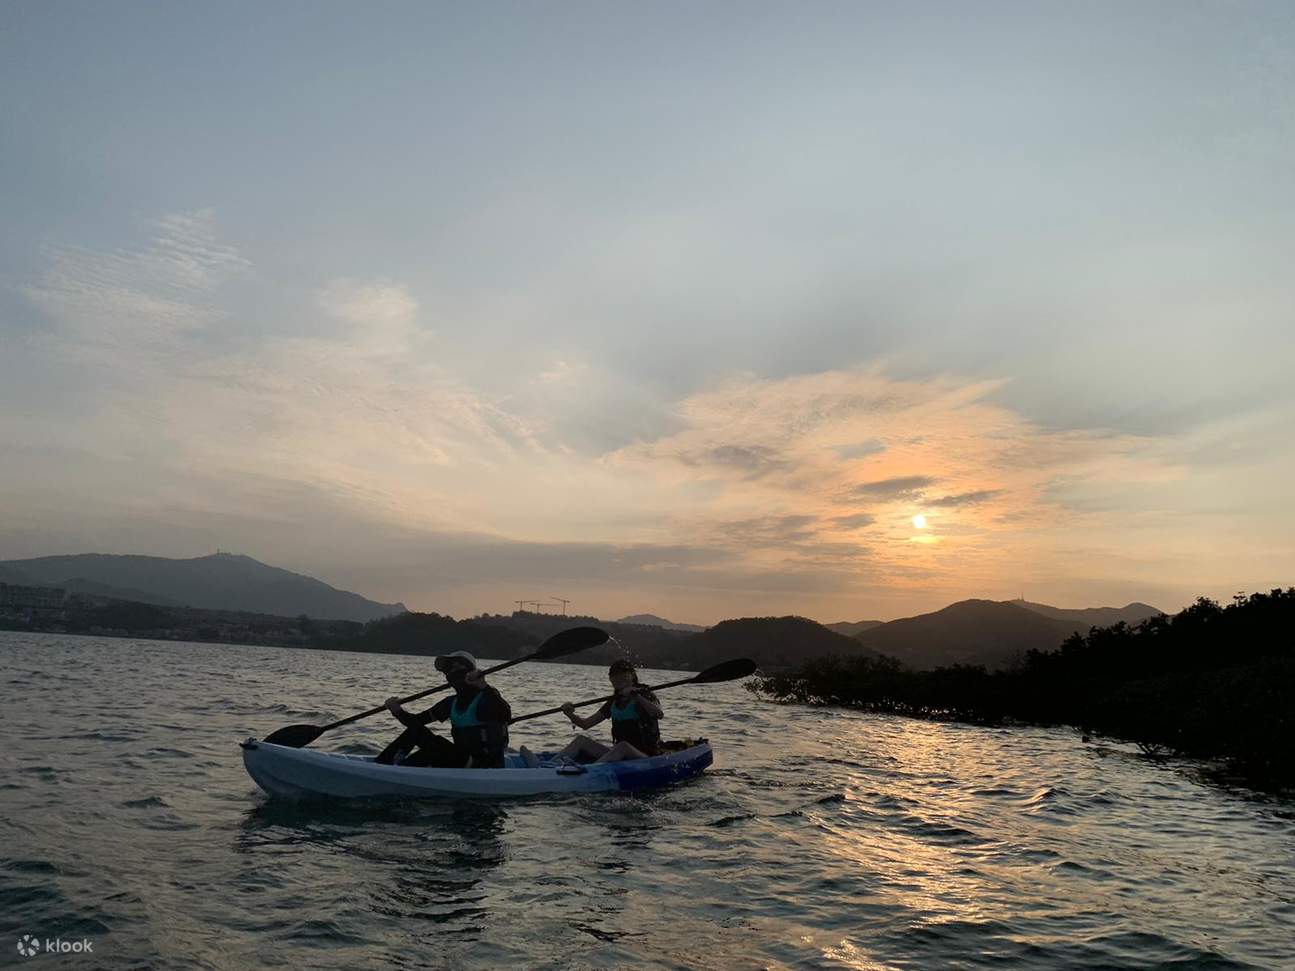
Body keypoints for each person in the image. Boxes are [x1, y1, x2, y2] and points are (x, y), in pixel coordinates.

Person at [376, 650, 511, 768]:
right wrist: (397, 711)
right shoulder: (450, 702)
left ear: (471, 671)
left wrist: (483, 685)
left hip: (485, 766)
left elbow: (506, 715)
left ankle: (397, 770)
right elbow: (417, 721)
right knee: (415, 730)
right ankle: (383, 764)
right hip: (459, 760)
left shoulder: (487, 694)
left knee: (438, 745)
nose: (453, 671)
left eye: (459, 666)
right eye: (449, 669)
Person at [552, 659, 663, 764]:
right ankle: (547, 767)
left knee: (623, 746)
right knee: (581, 740)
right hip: (621, 753)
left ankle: (589, 772)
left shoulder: (645, 694)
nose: (619, 678)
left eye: (623, 674)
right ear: (610, 679)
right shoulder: (614, 701)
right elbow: (586, 724)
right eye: (614, 675)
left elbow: (659, 714)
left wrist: (636, 695)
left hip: (646, 757)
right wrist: (569, 714)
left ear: (632, 675)